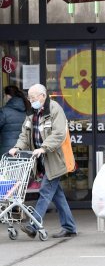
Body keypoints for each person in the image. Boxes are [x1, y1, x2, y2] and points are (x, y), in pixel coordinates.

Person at [8, 83, 77, 239]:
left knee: (46, 191)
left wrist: (44, 148)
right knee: (57, 194)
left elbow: (59, 134)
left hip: (55, 159)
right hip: (41, 161)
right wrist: (17, 147)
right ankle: (70, 227)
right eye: (30, 97)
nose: (31, 100)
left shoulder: (54, 109)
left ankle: (34, 225)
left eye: (33, 97)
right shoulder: (32, 113)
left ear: (43, 96)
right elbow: (25, 134)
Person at [0, 85, 31, 156]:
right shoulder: (28, 109)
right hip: (24, 151)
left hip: (7, 152)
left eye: (4, 96)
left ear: (8, 96)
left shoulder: (3, 112)